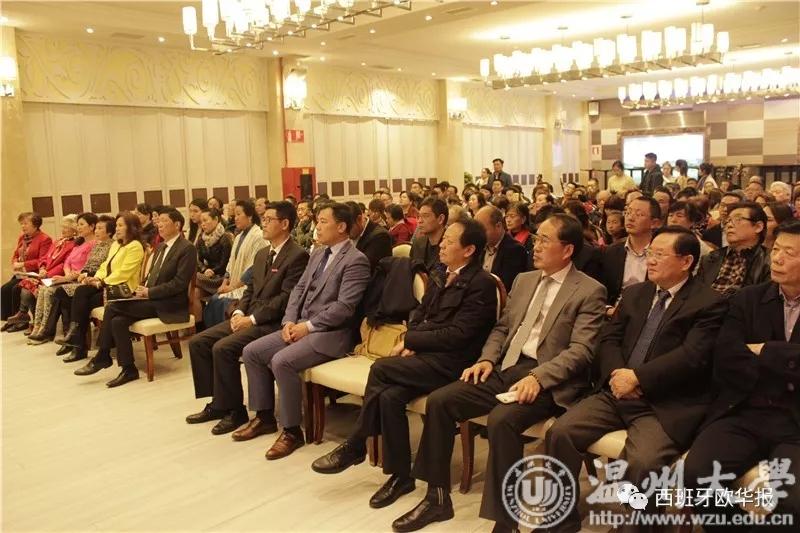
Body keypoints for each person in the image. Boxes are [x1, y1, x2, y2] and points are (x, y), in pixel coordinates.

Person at [396, 214, 607, 533]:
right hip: (507, 366)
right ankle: (436, 497)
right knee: (441, 401)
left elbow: (581, 350)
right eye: (536, 238)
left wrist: (539, 377)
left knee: (501, 420)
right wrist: (487, 359)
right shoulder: (524, 280)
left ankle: (505, 521)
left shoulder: (589, 290)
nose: (536, 246)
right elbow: (503, 328)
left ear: (567, 250)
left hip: (548, 379)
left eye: (545, 240)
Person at [546, 226, 727, 533]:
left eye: (660, 254)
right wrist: (618, 375)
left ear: (686, 262)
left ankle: (640, 528)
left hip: (665, 403)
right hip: (616, 391)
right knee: (560, 432)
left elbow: (693, 356)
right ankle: (561, 522)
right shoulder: (635, 293)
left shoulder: (709, 302)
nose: (650, 260)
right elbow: (609, 340)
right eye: (650, 253)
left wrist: (638, 378)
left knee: (644, 461)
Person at [310, 219, 498, 513]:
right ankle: (401, 477)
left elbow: (459, 335)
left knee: (381, 369)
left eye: (449, 241)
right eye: (444, 239)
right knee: (389, 396)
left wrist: (412, 340)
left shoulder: (481, 284)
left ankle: (356, 444)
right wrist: (414, 341)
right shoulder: (441, 273)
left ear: (469, 249)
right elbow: (421, 314)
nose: (442, 245)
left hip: (455, 364)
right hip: (427, 357)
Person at [684, 219, 800, 532]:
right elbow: (728, 357)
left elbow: (750, 356)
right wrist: (789, 361)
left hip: (796, 422)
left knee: (793, 501)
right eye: (776, 250)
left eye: (789, 253)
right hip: (746, 410)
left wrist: (767, 351)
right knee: (696, 476)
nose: (777, 259)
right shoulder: (749, 298)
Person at [239, 203, 371, 459]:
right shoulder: (318, 254)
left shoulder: (356, 260)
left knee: (281, 360)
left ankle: (291, 431)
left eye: (323, 222)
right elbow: (298, 290)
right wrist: (289, 321)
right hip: (300, 325)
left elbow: (344, 308)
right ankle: (265, 417)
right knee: (252, 351)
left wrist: (308, 326)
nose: (316, 227)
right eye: (317, 221)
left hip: (332, 333)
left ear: (341, 227)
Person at [186, 202, 309, 436]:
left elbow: (285, 299)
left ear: (285, 224)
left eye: (269, 219)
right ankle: (219, 402)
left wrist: (251, 319)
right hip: (250, 316)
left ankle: (235, 411)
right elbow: (250, 289)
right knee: (199, 342)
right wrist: (239, 313)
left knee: (223, 348)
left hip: (272, 322)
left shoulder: (297, 256)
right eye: (264, 219)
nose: (264, 223)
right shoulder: (263, 254)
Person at [74, 208, 196, 387]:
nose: (159, 224)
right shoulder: (161, 246)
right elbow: (152, 276)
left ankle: (103, 355)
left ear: (177, 225)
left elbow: (179, 283)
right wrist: (142, 288)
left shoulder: (187, 248)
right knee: (118, 321)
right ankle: (129, 369)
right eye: (159, 221)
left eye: (164, 221)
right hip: (152, 299)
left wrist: (149, 292)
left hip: (170, 304)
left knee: (112, 306)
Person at [54, 212, 144, 363]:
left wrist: (101, 282)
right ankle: (78, 340)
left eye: (120, 225)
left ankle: (78, 344)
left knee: (82, 299)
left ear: (131, 227)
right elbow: (105, 266)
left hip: (122, 289)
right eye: (117, 225)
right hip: (108, 285)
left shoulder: (135, 246)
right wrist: (96, 278)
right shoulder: (116, 244)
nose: (117, 228)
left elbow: (124, 273)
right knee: (81, 292)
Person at [49, 216, 114, 358]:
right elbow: (88, 265)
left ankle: (75, 341)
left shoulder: (112, 246)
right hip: (87, 279)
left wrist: (87, 276)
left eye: (100, 228)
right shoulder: (97, 245)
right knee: (65, 295)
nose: (96, 231)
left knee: (75, 295)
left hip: (99, 283)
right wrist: (82, 274)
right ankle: (74, 340)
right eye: (96, 228)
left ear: (109, 232)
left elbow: (105, 269)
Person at [28, 213, 98, 344]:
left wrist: (67, 278)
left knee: (52, 291)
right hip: (69, 277)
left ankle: (49, 330)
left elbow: (88, 268)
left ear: (92, 226)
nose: (79, 227)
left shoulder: (94, 244)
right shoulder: (79, 243)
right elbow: (67, 262)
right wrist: (66, 275)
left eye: (81, 224)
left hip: (80, 279)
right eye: (78, 224)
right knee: (43, 289)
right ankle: (39, 327)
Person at [202, 200, 267, 328]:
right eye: (234, 215)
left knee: (221, 302)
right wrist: (224, 283)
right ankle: (213, 334)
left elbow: (253, 268)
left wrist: (233, 287)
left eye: (238, 214)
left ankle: (224, 334)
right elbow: (230, 263)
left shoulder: (259, 236)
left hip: (247, 286)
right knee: (214, 299)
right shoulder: (238, 237)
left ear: (249, 216)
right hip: (233, 283)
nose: (235, 218)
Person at [11, 215, 78, 334]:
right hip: (45, 273)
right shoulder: (58, 241)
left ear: (74, 230)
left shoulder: (73, 244)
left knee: (30, 287)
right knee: (25, 287)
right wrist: (42, 268)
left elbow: (64, 264)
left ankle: (37, 323)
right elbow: (45, 257)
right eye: (62, 227)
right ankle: (32, 320)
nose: (63, 230)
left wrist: (48, 274)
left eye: (66, 228)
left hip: (56, 276)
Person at [697, 202, 771, 297]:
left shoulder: (769, 262)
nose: (729, 225)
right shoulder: (710, 258)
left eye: (738, 219)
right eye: (728, 221)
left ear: (758, 227)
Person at [600, 196, 662, 309]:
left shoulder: (661, 254)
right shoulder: (612, 251)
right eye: (628, 212)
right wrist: (608, 309)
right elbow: (602, 290)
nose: (630, 218)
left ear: (654, 223)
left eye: (639, 214)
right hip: (615, 311)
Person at [1, 212, 52, 328]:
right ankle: (10, 321)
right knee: (4, 290)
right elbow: (15, 254)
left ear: (35, 224)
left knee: (15, 289)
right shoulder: (22, 238)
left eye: (25, 223)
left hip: (34, 274)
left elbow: (42, 260)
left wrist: (23, 264)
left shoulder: (45, 239)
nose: (22, 226)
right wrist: (15, 262)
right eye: (21, 224)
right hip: (21, 273)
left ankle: (21, 321)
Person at [475, 205, 529, 293]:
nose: (478, 234)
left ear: (498, 226)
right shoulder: (479, 245)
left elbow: (506, 287)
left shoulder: (515, 250)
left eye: (482, 230)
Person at [193, 208, 233, 322]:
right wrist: (205, 269)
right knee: (194, 292)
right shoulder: (201, 239)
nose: (203, 224)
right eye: (201, 221)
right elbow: (197, 259)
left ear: (216, 219)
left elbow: (225, 262)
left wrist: (213, 271)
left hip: (221, 277)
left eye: (206, 220)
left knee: (193, 278)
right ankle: (199, 326)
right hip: (207, 276)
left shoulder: (225, 238)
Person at [666, 201, 716, 267]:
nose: (673, 220)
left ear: (691, 221)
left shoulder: (698, 245)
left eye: (679, 216)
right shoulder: (662, 237)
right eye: (670, 215)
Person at [347, 201, 392, 272]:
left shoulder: (380, 237)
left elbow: (363, 268)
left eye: (348, 228)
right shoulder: (351, 233)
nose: (345, 232)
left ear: (359, 219)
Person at [410, 197, 448, 280]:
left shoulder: (451, 245)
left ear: (440, 219)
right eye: (419, 216)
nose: (419, 221)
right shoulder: (418, 243)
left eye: (425, 216)